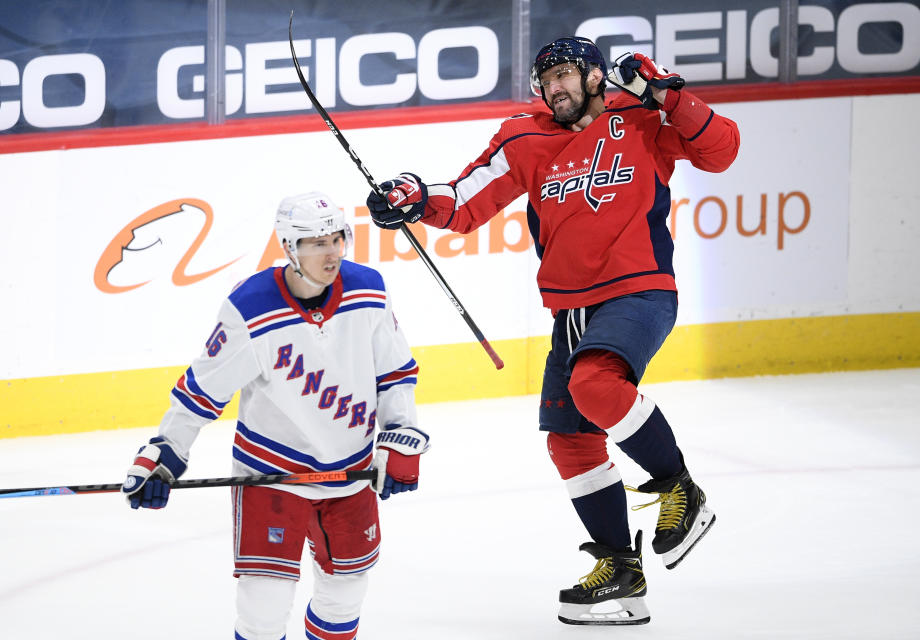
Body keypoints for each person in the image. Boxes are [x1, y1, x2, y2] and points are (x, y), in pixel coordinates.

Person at [365, 36, 739, 625]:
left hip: (640, 289)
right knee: (569, 439)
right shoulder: (524, 136)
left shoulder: (641, 116)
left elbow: (722, 151)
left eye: (565, 74)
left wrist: (670, 94)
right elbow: (463, 201)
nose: (554, 88)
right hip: (572, 311)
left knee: (595, 384)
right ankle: (621, 571)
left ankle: (679, 488)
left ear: (594, 76)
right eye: (546, 81)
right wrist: (413, 197)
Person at [121, 192, 428, 640]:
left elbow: (395, 372)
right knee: (263, 610)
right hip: (272, 474)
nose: (331, 252)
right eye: (315, 242)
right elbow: (202, 390)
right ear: (289, 246)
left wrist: (400, 433)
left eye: (336, 238)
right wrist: (165, 451)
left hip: (352, 470)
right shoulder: (252, 307)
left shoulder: (368, 290)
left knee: (345, 596)